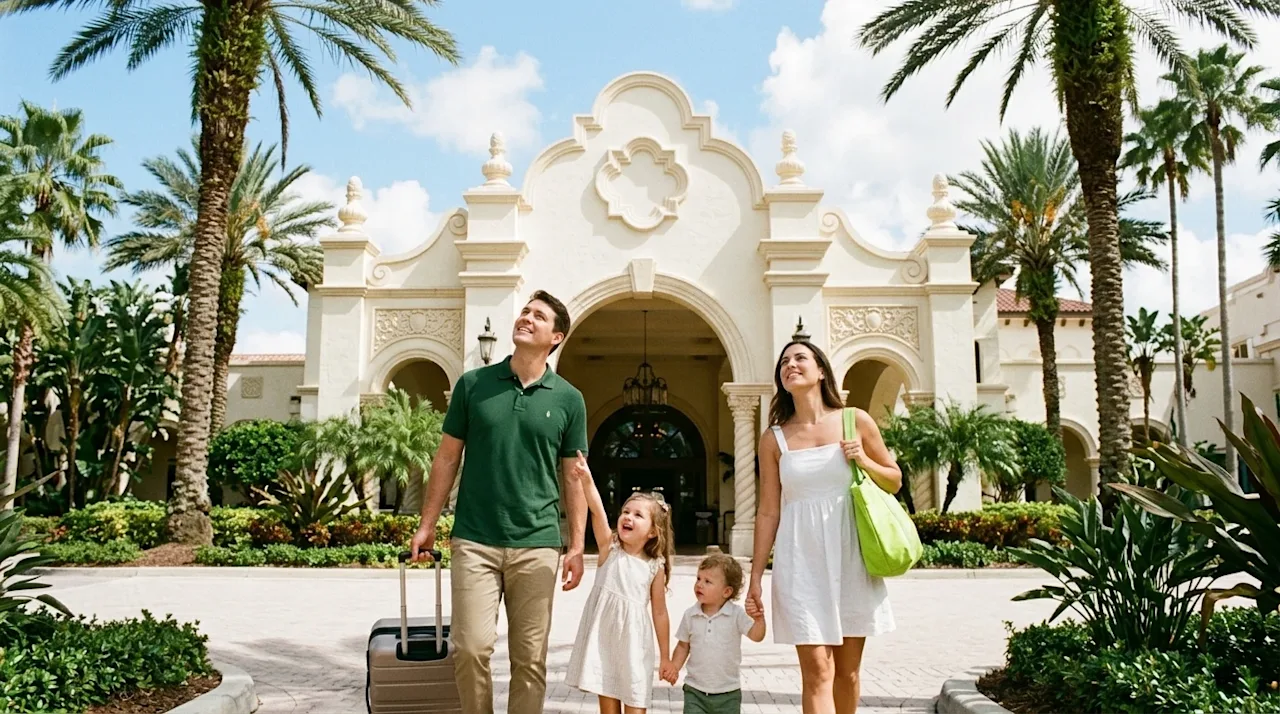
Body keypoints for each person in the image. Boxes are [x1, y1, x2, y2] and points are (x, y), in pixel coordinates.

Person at [409, 290, 590, 714]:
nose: (526, 318)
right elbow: (447, 457)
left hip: (538, 543)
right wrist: (427, 524)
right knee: (471, 649)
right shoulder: (474, 385)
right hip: (475, 540)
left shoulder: (569, 399)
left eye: (538, 316)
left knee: (530, 660)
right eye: (525, 311)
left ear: (556, 337)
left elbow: (574, 476)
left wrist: (577, 545)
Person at [746, 340, 901, 714]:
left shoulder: (855, 421)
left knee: (847, 673)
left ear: (820, 371)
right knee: (817, 671)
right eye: (784, 361)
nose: (790, 364)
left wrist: (863, 460)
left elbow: (894, 479)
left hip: (851, 558)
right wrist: (755, 576)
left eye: (800, 357)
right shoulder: (774, 438)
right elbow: (768, 512)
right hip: (800, 562)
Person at [564, 491, 675, 714]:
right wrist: (586, 479)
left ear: (653, 531)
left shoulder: (655, 566)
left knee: (636, 702)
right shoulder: (609, 549)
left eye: (638, 515)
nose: (628, 517)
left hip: (635, 647)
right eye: (625, 512)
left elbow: (660, 613)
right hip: (605, 644)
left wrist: (665, 657)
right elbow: (597, 511)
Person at [663, 554, 766, 714]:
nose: (699, 584)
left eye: (707, 581)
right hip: (695, 691)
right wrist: (674, 667)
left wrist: (759, 621)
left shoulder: (736, 615)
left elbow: (756, 636)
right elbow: (683, 646)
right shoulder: (691, 615)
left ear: (726, 591)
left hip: (728, 694)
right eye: (698, 578)